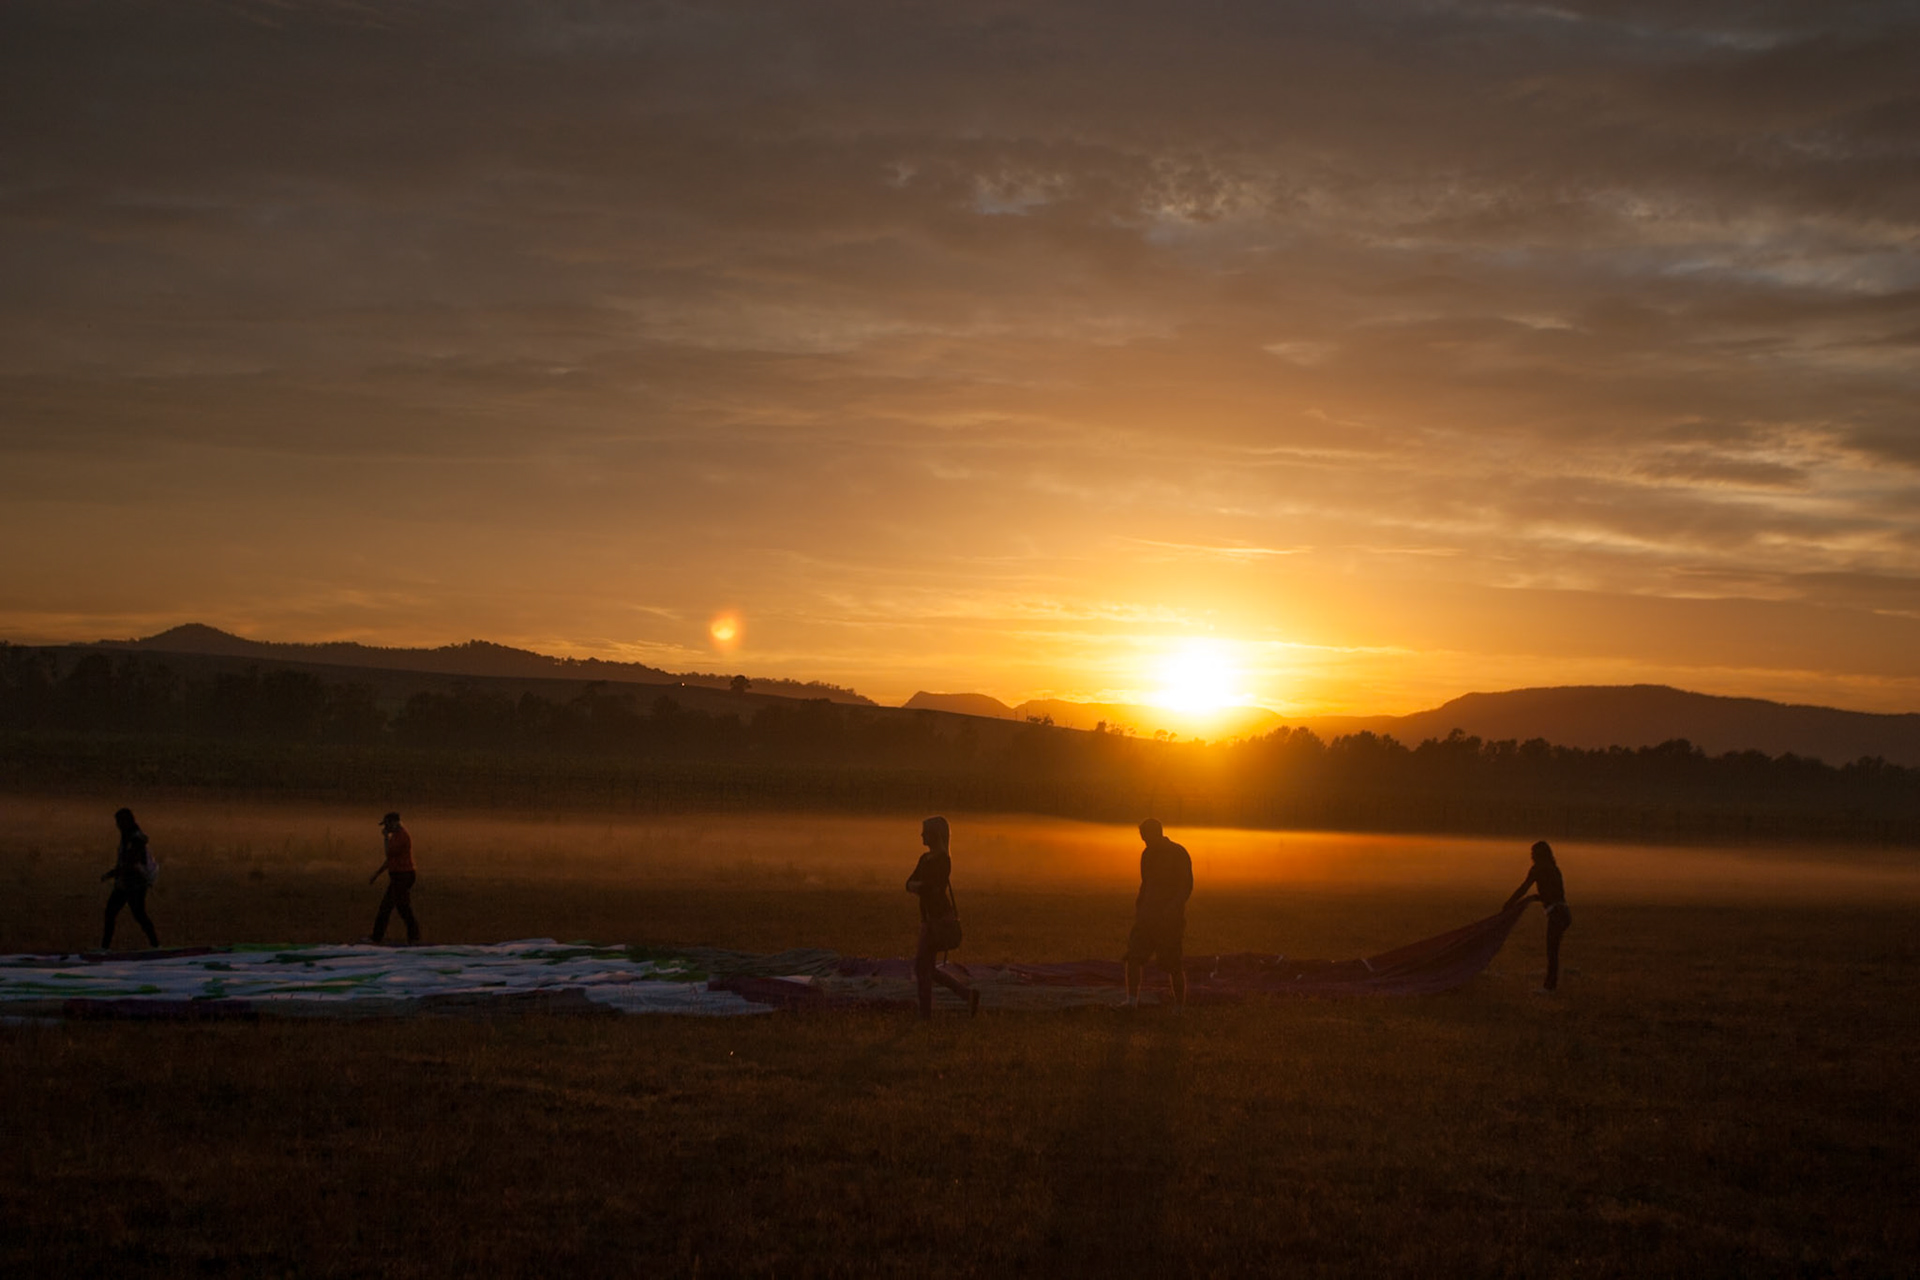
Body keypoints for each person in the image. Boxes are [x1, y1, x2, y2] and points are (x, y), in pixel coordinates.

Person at [905, 815, 979, 1019]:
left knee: (922, 967)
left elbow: (930, 888)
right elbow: (910, 883)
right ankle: (967, 995)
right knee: (926, 968)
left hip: (938, 920)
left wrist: (919, 886)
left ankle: (925, 1015)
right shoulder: (925, 859)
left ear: (934, 835)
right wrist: (921, 886)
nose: (921, 835)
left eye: (925, 831)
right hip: (929, 920)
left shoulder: (942, 860)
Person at [1125, 818, 1193, 1009]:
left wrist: (1173, 908)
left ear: (1156, 834)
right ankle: (1132, 1002)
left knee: (1173, 964)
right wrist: (1140, 905)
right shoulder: (1147, 854)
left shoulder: (1178, 853)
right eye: (1142, 838)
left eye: (1146, 837)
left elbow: (1186, 885)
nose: (1144, 842)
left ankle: (1179, 1007)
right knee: (1133, 957)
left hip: (1169, 920)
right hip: (1147, 917)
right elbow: (1145, 883)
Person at [1505, 839, 1572, 992]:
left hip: (1556, 914)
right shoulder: (1554, 868)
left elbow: (1524, 888)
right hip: (1564, 913)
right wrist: (1537, 897)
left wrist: (1509, 903)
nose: (1531, 856)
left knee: (1552, 952)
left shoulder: (1537, 869)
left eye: (1533, 853)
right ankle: (1550, 983)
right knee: (1553, 951)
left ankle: (1549, 986)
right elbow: (1557, 893)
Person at [100, 807, 160, 950]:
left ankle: (156, 945)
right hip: (126, 883)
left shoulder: (135, 839)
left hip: (135, 884)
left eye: (119, 821)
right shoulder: (128, 836)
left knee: (137, 914)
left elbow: (130, 862)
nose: (117, 825)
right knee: (113, 913)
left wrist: (111, 874)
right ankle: (104, 948)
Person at [367, 811, 421, 945]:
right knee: (392, 907)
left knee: (399, 907)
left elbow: (389, 853)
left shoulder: (402, 837)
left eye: (387, 824)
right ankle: (378, 937)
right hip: (398, 876)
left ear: (395, 823)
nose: (386, 828)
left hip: (404, 875)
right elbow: (390, 860)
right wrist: (377, 874)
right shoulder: (396, 836)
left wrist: (385, 838)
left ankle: (413, 937)